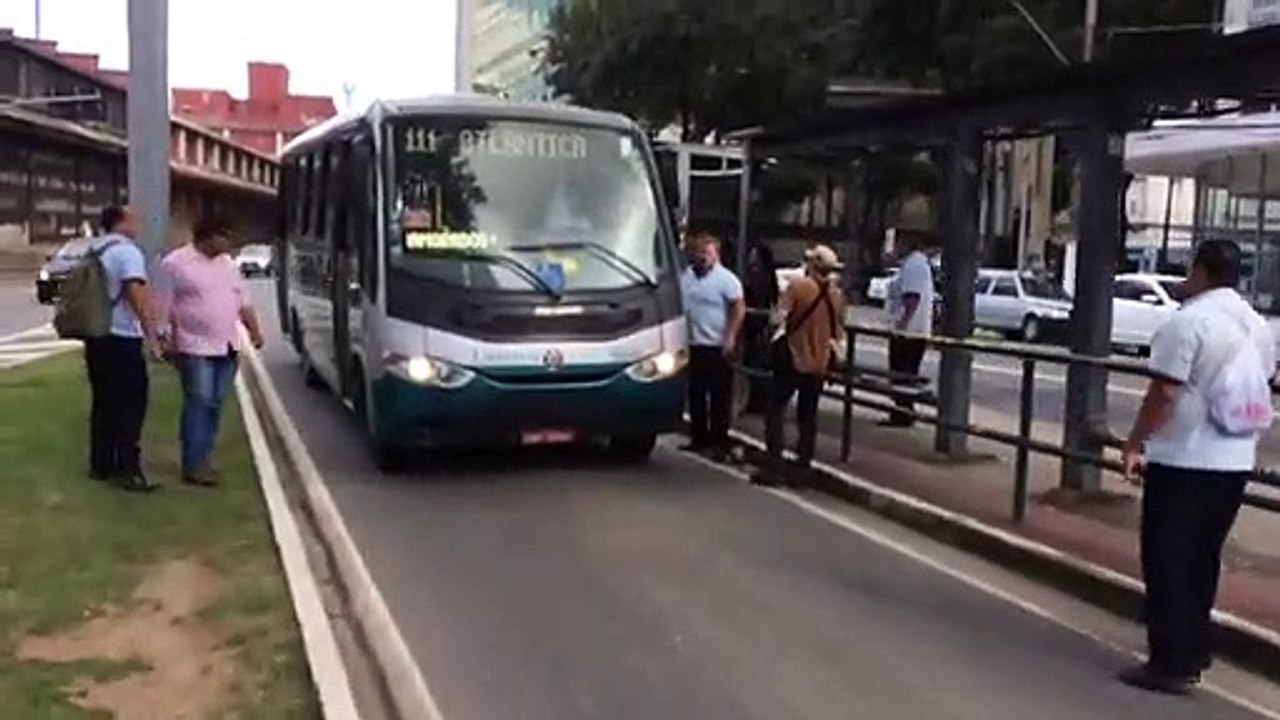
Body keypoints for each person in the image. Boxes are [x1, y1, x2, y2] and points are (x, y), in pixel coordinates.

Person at [1119, 239, 1277, 695]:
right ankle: (1194, 646)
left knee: (1167, 557)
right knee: (1203, 557)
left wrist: (1135, 442)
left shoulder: (1188, 322)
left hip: (1184, 457)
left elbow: (1165, 392)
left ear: (1201, 271)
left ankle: (1170, 660)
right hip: (1234, 458)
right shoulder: (1257, 325)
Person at [154, 217, 266, 487]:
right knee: (199, 401)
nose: (227, 243)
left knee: (214, 404)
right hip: (194, 346)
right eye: (223, 236)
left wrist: (254, 330)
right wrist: (163, 337)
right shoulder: (176, 263)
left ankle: (203, 457)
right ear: (206, 236)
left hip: (227, 345)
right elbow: (163, 303)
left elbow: (243, 301)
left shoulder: (228, 266)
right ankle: (192, 464)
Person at [753, 244, 847, 487]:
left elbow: (778, 318)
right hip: (819, 362)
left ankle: (774, 467)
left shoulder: (798, 287)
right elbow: (838, 332)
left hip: (794, 357)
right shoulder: (836, 296)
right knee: (808, 416)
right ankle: (802, 470)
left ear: (811, 266)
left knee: (775, 410)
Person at [84, 205, 162, 492]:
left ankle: (100, 464)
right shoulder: (127, 252)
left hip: (96, 334)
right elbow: (137, 296)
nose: (139, 222)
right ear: (121, 222)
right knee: (131, 404)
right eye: (134, 218)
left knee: (103, 402)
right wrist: (152, 336)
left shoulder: (94, 248)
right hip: (122, 337)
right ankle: (128, 469)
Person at [679, 229, 746, 461]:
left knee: (719, 396)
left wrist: (730, 336)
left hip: (717, 344)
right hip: (693, 343)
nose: (703, 256)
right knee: (696, 393)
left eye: (708, 252)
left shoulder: (726, 280)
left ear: (716, 254)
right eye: (699, 252)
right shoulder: (687, 277)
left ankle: (719, 440)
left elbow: (738, 307)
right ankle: (699, 437)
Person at [882, 232, 934, 427]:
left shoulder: (914, 265)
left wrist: (902, 323)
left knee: (901, 373)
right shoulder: (913, 264)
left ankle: (902, 414)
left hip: (908, 332)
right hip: (911, 330)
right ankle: (902, 412)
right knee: (903, 374)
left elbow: (912, 297)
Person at [742, 243, 780, 414]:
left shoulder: (759, 277)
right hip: (755, 326)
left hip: (757, 326)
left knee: (756, 364)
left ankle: (758, 403)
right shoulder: (764, 276)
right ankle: (756, 402)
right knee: (754, 365)